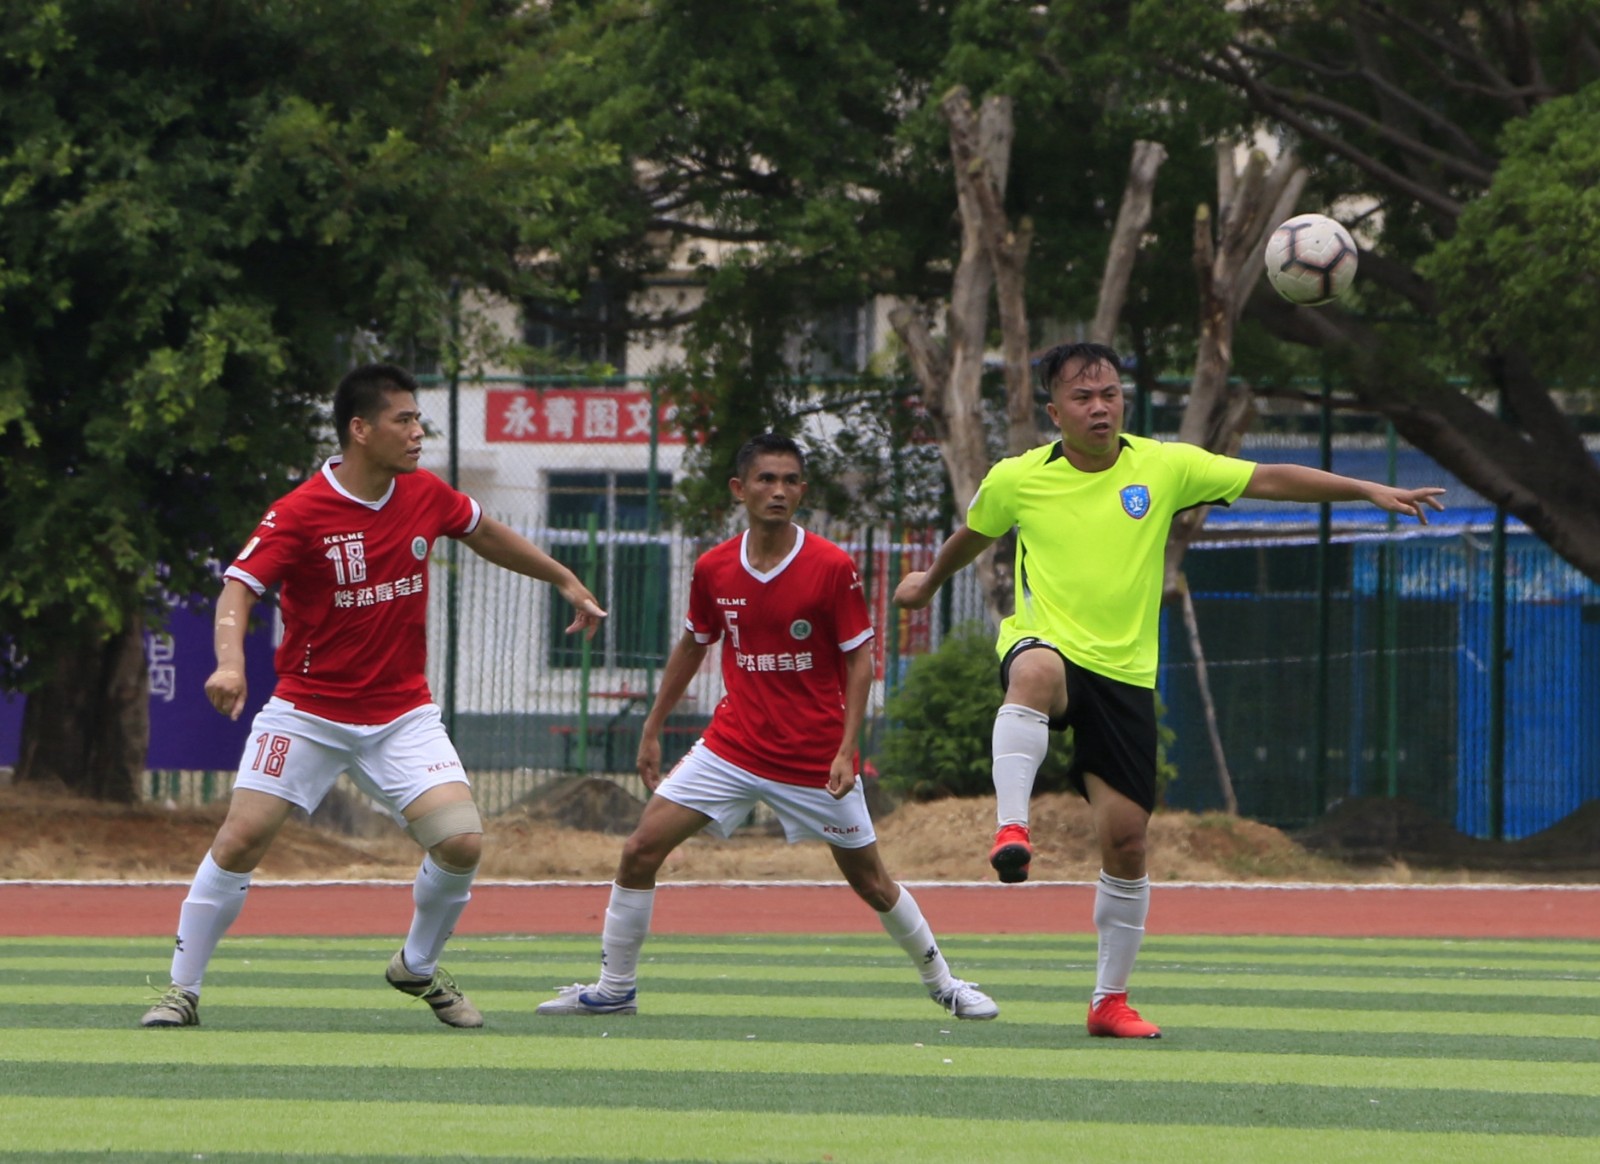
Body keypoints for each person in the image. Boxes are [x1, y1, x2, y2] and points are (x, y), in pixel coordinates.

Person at [893, 342, 1445, 1039]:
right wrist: (928, 582)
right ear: (1054, 411)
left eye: (1110, 394)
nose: (1100, 407)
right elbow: (974, 534)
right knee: (1032, 672)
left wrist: (1366, 489)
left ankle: (1108, 1003)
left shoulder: (1163, 465)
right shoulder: (1018, 477)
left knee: (1127, 843)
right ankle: (1012, 828)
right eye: (1083, 397)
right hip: (1049, 644)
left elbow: (1268, 477)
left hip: (1125, 674)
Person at [140, 363, 606, 1029]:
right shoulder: (300, 512)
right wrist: (229, 665)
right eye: (403, 420)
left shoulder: (425, 494)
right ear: (360, 430)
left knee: (460, 842)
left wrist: (562, 578)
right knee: (241, 838)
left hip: (401, 714)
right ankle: (180, 992)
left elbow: (485, 531)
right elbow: (239, 587)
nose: (418, 433)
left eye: (418, 419)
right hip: (308, 711)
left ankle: (416, 965)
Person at [534, 433, 998, 1021]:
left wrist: (848, 748)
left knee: (873, 883)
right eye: (766, 479)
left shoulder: (831, 566)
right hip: (732, 746)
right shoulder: (714, 568)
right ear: (740, 489)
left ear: (802, 491)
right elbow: (693, 644)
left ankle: (945, 984)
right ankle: (614, 988)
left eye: (790, 481)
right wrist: (653, 725)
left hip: (813, 758)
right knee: (640, 850)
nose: (778, 490)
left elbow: (860, 661)